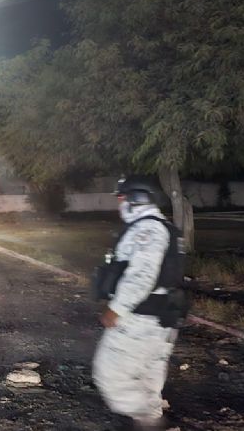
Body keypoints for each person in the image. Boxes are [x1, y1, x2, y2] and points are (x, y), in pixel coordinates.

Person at [92, 176, 186, 431]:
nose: (119, 203)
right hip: (157, 319)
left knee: (109, 377)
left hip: (139, 319)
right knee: (148, 378)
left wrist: (117, 309)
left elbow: (142, 275)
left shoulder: (148, 228)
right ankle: (151, 419)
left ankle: (154, 422)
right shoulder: (158, 226)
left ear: (137, 198)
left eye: (122, 197)